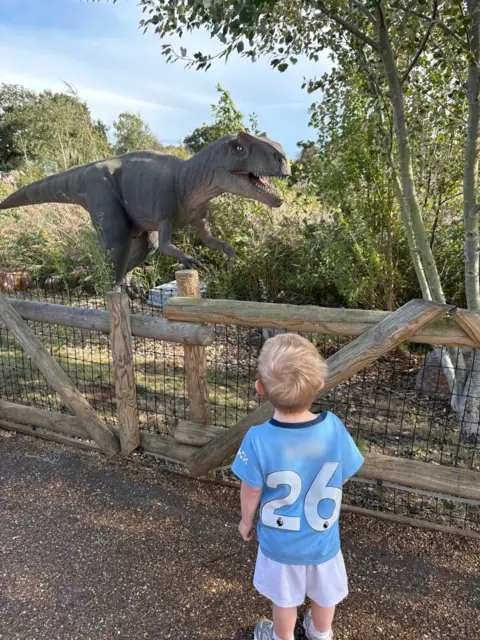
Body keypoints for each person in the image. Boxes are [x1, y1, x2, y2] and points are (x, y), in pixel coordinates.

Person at [231, 333, 364, 640]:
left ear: (260, 389)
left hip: (279, 544)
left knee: (284, 598)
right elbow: (342, 475)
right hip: (323, 540)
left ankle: (281, 637)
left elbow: (251, 490)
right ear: (318, 386)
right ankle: (320, 633)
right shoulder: (333, 427)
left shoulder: (257, 438)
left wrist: (245, 521)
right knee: (324, 593)